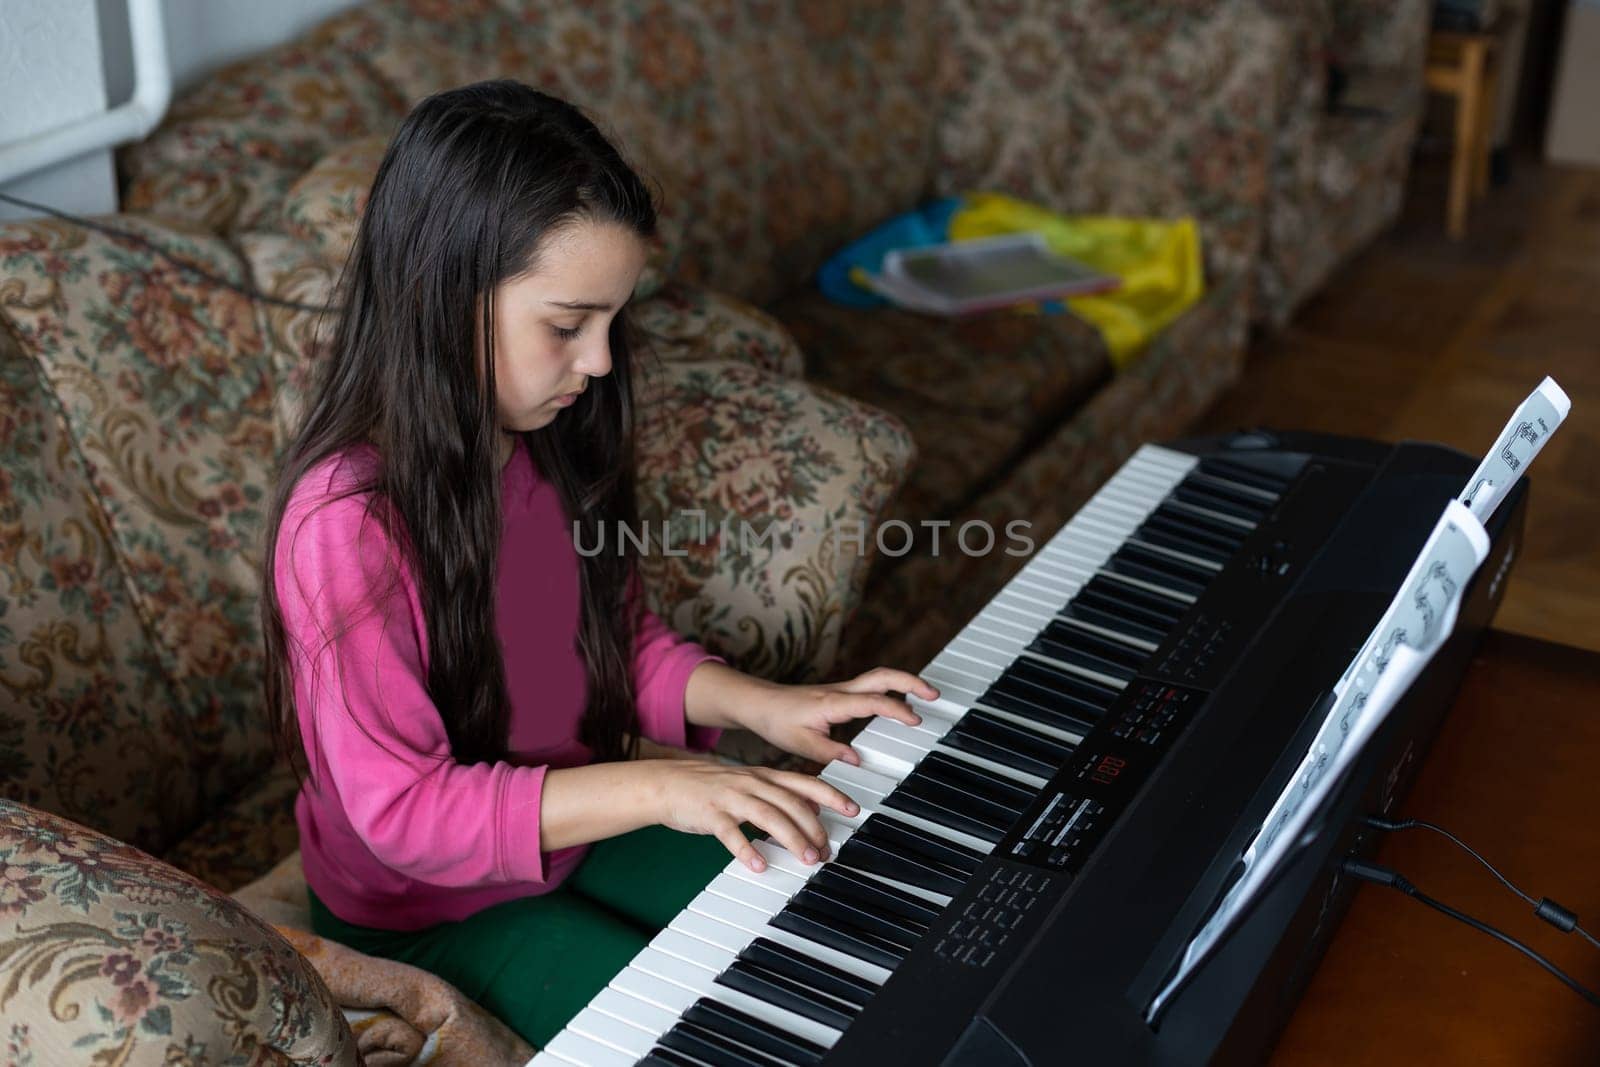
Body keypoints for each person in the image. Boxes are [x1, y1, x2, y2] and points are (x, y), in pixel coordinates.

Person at [257, 79, 939, 1047]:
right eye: (567, 324)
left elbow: (617, 637)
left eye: (612, 322)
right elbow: (402, 810)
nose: (602, 362)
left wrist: (763, 705)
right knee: (724, 1026)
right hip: (427, 907)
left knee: (832, 908)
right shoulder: (345, 521)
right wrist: (663, 787)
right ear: (443, 296)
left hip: (572, 833)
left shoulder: (539, 441)